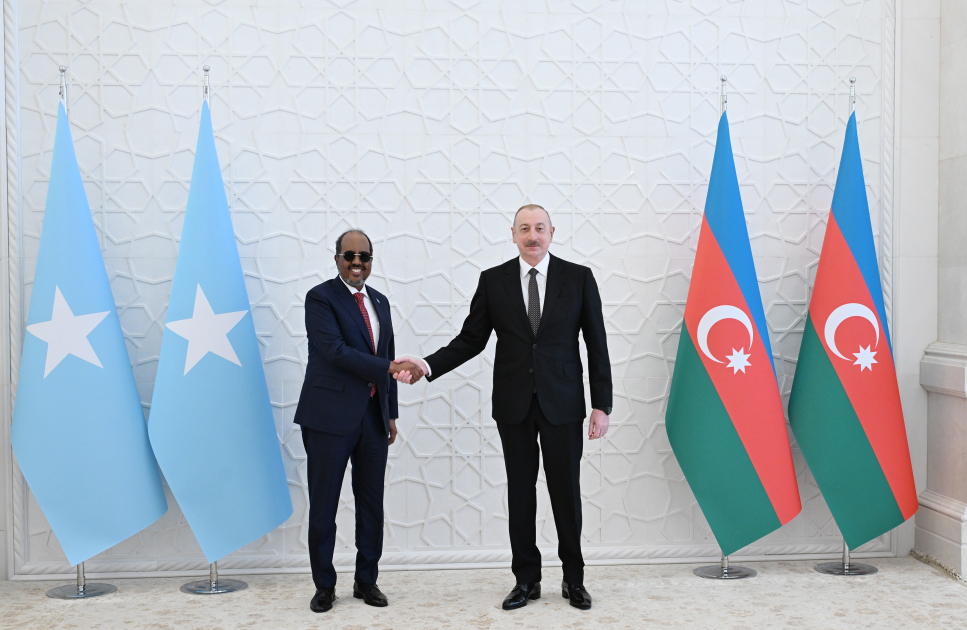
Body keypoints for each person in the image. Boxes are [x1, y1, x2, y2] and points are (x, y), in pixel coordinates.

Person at [395, 204, 612, 611]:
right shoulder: (493, 280)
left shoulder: (578, 278)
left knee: (566, 494)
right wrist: (426, 365)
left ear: (552, 233)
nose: (533, 235)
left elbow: (596, 343)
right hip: (514, 404)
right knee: (520, 493)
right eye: (524, 228)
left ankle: (574, 579)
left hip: (564, 403)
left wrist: (602, 405)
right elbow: (471, 339)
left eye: (540, 228)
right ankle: (526, 580)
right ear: (513, 235)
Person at [294, 229, 424, 613]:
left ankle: (366, 581)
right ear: (337, 258)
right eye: (349, 255)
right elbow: (335, 352)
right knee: (324, 506)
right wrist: (389, 367)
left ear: (370, 260)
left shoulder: (380, 301)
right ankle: (324, 586)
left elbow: (388, 352)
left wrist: (391, 412)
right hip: (328, 417)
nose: (356, 262)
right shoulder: (320, 298)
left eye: (363, 256)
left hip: (372, 417)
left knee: (371, 504)